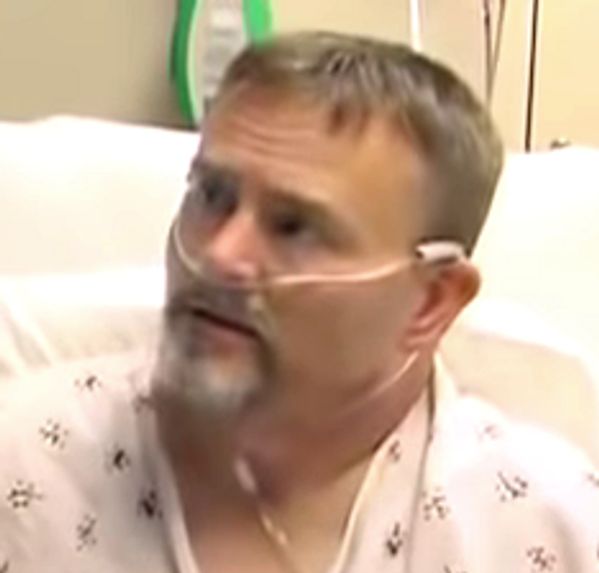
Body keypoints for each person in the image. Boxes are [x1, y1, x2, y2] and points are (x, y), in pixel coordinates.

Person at [1, 31, 598, 573]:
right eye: (212, 195)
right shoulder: (26, 473)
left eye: (294, 227)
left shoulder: (548, 533)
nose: (220, 254)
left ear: (431, 303)